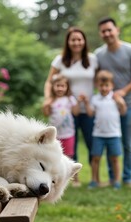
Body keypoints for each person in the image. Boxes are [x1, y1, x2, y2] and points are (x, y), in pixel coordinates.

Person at [94, 17, 131, 187]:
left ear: (117, 30)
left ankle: (128, 178)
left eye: (110, 30)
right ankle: (113, 178)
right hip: (109, 108)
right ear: (100, 34)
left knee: (129, 144)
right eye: (103, 31)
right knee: (111, 142)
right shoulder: (99, 54)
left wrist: (123, 92)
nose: (107, 33)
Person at [43, 27, 98, 177]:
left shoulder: (92, 59)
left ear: (84, 41)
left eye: (79, 39)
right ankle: (72, 177)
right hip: (66, 110)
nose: (76, 42)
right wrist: (48, 98)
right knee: (69, 145)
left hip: (88, 109)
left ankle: (95, 177)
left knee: (92, 143)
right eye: (73, 39)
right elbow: (49, 82)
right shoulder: (60, 60)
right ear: (68, 42)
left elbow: (100, 81)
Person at [80, 70, 127, 189]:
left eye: (107, 85)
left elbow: (123, 112)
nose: (104, 88)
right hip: (98, 134)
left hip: (114, 134)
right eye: (101, 85)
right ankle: (94, 180)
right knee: (96, 158)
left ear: (112, 86)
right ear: (97, 85)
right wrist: (86, 103)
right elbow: (90, 114)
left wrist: (121, 103)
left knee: (115, 158)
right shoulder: (95, 99)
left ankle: (116, 181)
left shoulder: (115, 98)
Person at [43, 74, 80, 186]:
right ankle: (53, 178)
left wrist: (77, 103)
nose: (60, 88)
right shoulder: (51, 100)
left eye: (63, 86)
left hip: (68, 133)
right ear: (53, 87)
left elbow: (76, 112)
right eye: (57, 86)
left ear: (67, 87)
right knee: (54, 157)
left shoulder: (70, 99)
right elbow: (46, 114)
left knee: (70, 156)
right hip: (55, 136)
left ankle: (75, 179)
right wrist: (46, 105)